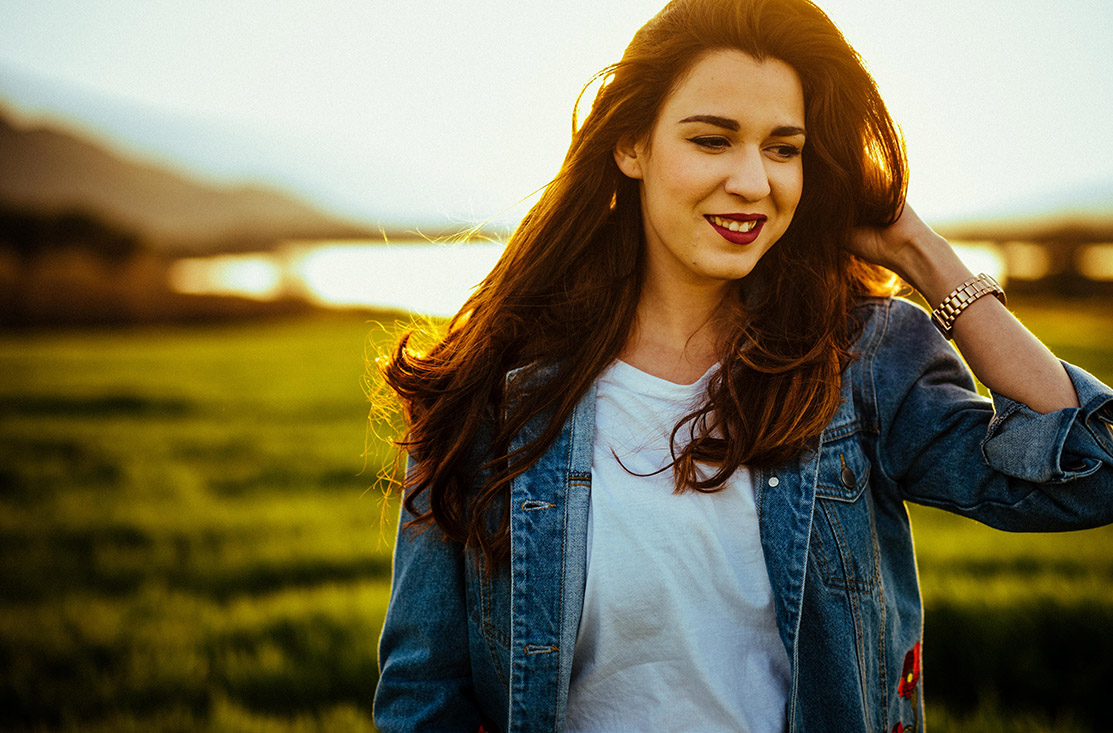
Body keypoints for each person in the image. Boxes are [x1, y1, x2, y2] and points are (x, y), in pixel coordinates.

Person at [371, 0, 1113, 730]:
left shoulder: (860, 363)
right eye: (712, 139)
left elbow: (1088, 471)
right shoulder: (493, 388)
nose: (754, 182)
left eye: (783, 148)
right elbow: (422, 695)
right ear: (631, 146)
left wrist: (918, 249)